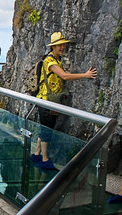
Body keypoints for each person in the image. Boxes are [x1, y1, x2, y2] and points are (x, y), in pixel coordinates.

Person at [30, 32, 98, 170]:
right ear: (53, 47)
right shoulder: (50, 61)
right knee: (47, 129)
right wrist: (85, 75)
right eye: (59, 45)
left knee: (45, 128)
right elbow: (64, 76)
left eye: (63, 44)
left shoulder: (56, 59)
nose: (62, 47)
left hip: (48, 100)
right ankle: (44, 159)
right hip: (46, 101)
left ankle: (37, 154)